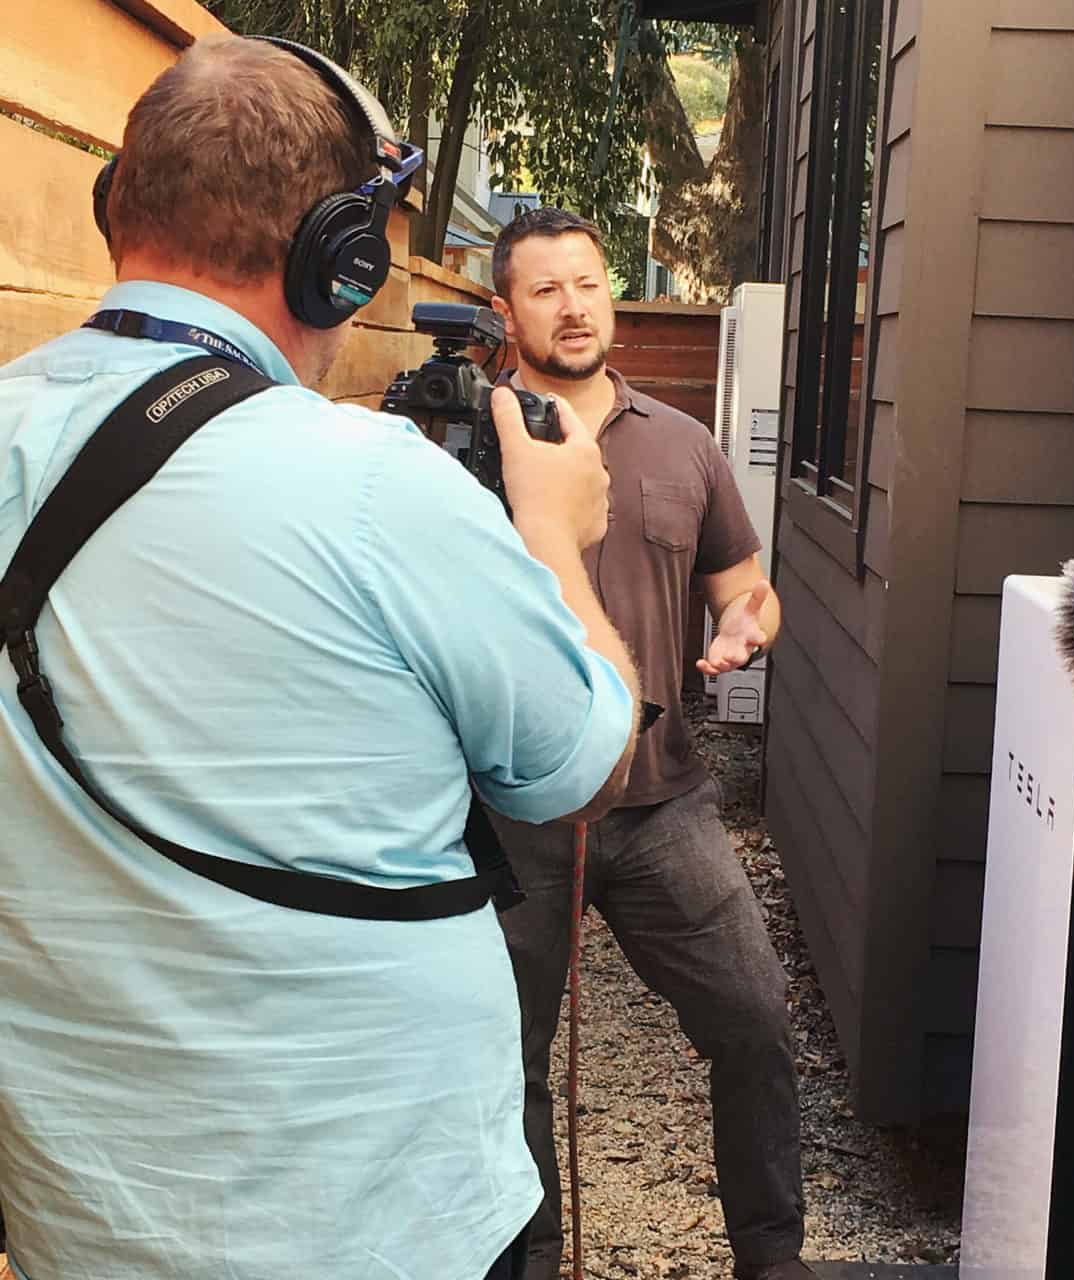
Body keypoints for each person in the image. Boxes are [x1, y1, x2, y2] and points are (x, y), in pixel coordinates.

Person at [0, 38, 640, 1280]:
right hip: (385, 1222)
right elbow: (577, 764)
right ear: (338, 255)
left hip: (81, 1219)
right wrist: (553, 532)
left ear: (113, 206)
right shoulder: (370, 486)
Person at [483, 207, 806, 1280]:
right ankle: (529, 1256)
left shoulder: (685, 444)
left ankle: (770, 1255)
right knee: (501, 1054)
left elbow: (746, 586)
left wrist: (743, 625)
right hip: (513, 809)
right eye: (544, 288)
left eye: (586, 282)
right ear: (504, 308)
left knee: (755, 1019)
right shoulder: (465, 445)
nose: (572, 306)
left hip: (662, 799)